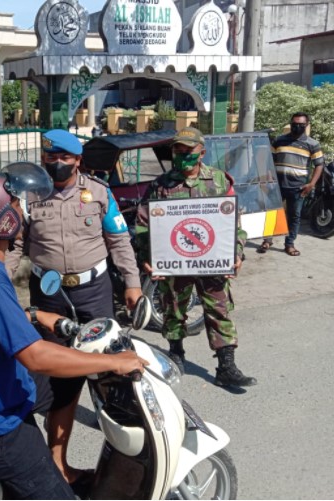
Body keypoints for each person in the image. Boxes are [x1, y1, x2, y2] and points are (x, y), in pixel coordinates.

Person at [0, 163, 148, 500]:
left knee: (65, 384)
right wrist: (111, 363)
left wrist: (34, 314)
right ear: (1, 219)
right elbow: (37, 357)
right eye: (14, 204)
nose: (22, 208)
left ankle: (59, 459)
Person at [3, 129, 142, 487]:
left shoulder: (99, 192)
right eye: (52, 157)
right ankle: (57, 463)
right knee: (61, 380)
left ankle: (129, 460)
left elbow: (119, 240)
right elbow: (15, 247)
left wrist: (132, 283)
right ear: (45, 158)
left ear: (78, 160)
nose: (58, 163)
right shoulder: (31, 195)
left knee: (112, 375)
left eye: (65, 157)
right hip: (49, 297)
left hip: (94, 292)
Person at [133, 127, 257, 388]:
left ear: (202, 151)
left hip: (212, 261)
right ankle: (176, 355)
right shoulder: (161, 185)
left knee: (219, 310)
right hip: (174, 263)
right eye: (177, 150)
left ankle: (226, 366)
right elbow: (144, 224)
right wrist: (146, 256)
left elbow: (234, 223)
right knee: (173, 309)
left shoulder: (220, 182)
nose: (181, 155)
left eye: (187, 150)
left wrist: (236, 253)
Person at [258, 112, 324, 256]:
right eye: (294, 124)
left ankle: (289, 244)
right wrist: (268, 178)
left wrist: (311, 184)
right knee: (271, 214)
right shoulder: (279, 141)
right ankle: (267, 240)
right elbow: (270, 160)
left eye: (301, 124)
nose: (297, 127)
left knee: (294, 216)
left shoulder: (312, 144)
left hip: (298, 188)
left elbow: (319, 165)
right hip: (276, 186)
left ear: (306, 125)